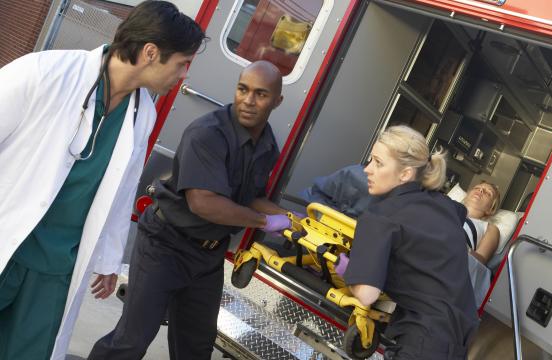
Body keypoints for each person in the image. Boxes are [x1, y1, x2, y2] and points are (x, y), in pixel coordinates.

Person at [0, 2, 205, 359]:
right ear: (151, 53)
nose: (184, 74)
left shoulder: (142, 113)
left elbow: (121, 192)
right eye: (182, 64)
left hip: (56, 268)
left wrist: (109, 261)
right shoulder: (44, 73)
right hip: (8, 239)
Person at [88, 60, 292, 360]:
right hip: (166, 245)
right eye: (242, 89)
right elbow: (204, 202)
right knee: (132, 340)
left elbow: (250, 196)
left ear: (277, 101)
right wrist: (264, 220)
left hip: (208, 256)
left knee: (195, 347)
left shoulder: (267, 144)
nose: (248, 101)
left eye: (260, 94)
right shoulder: (207, 133)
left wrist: (290, 220)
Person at [342, 125, 478, 359]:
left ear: (405, 174)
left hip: (420, 344)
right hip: (456, 346)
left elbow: (366, 295)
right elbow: (458, 214)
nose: (367, 169)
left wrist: (348, 268)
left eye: (378, 163)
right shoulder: (447, 207)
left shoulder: (380, 218)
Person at [462, 182, 501, 265]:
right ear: (467, 196)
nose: (481, 190)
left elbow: (480, 260)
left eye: (488, 193)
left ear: (490, 209)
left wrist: (460, 246)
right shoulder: (448, 206)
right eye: (476, 188)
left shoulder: (490, 228)